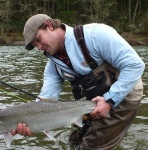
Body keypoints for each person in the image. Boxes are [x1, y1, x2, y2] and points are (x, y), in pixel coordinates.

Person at [11, 14, 145, 149]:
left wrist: (109, 100)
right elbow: (45, 102)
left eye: (38, 39)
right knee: (73, 142)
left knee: (90, 146)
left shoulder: (96, 34)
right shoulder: (53, 66)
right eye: (35, 45)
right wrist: (25, 121)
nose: (39, 47)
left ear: (49, 26)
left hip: (125, 93)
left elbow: (135, 65)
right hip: (90, 102)